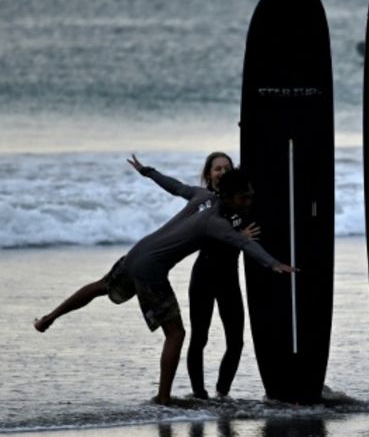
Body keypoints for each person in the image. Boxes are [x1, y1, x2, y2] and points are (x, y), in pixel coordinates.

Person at [33, 168, 297, 405]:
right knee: (176, 334)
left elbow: (176, 187)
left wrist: (149, 172)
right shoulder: (215, 223)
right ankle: (163, 398)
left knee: (102, 286)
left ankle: (48, 318)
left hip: (137, 253)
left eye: (250, 196)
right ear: (228, 196)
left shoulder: (201, 195)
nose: (249, 202)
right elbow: (244, 243)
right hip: (152, 271)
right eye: (244, 198)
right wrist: (272, 263)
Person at [128, 152, 254, 399]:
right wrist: (148, 171)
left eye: (227, 168)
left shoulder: (242, 201)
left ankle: (223, 394)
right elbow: (175, 187)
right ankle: (199, 394)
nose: (222, 172)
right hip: (204, 277)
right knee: (199, 338)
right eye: (217, 169)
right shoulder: (204, 201)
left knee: (236, 341)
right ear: (208, 174)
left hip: (229, 278)